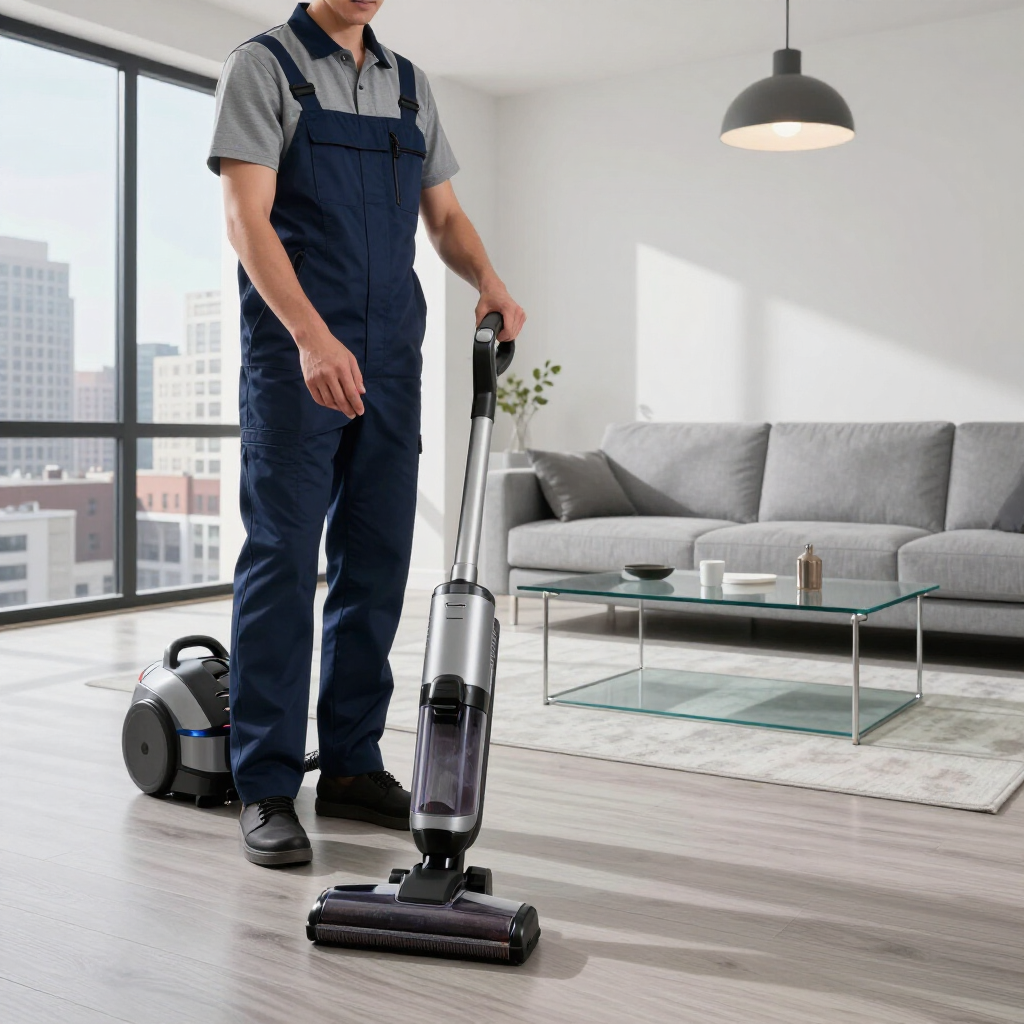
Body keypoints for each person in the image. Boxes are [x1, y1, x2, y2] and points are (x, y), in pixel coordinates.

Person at [207, 0, 525, 866]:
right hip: (296, 354)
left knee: (377, 558)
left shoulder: (410, 86)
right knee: (282, 557)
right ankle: (266, 782)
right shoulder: (265, 67)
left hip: (391, 356)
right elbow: (246, 219)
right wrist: (311, 338)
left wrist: (488, 278)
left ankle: (350, 763)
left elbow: (445, 219)